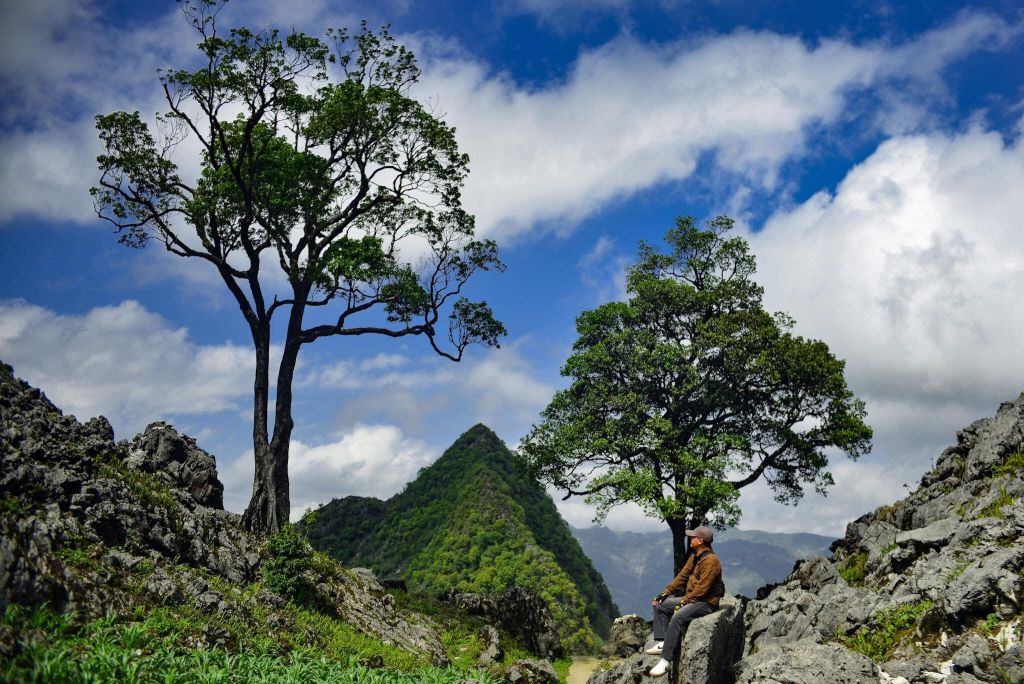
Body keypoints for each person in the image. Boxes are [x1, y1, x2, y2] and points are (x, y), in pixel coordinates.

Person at [645, 526, 725, 678]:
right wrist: (665, 593)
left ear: (700, 541)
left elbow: (702, 590)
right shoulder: (695, 556)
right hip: (693, 598)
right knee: (660, 605)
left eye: (693, 537)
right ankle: (663, 642)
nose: (690, 538)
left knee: (678, 617)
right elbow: (682, 576)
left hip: (706, 603)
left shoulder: (711, 561)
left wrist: (683, 603)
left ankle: (665, 660)